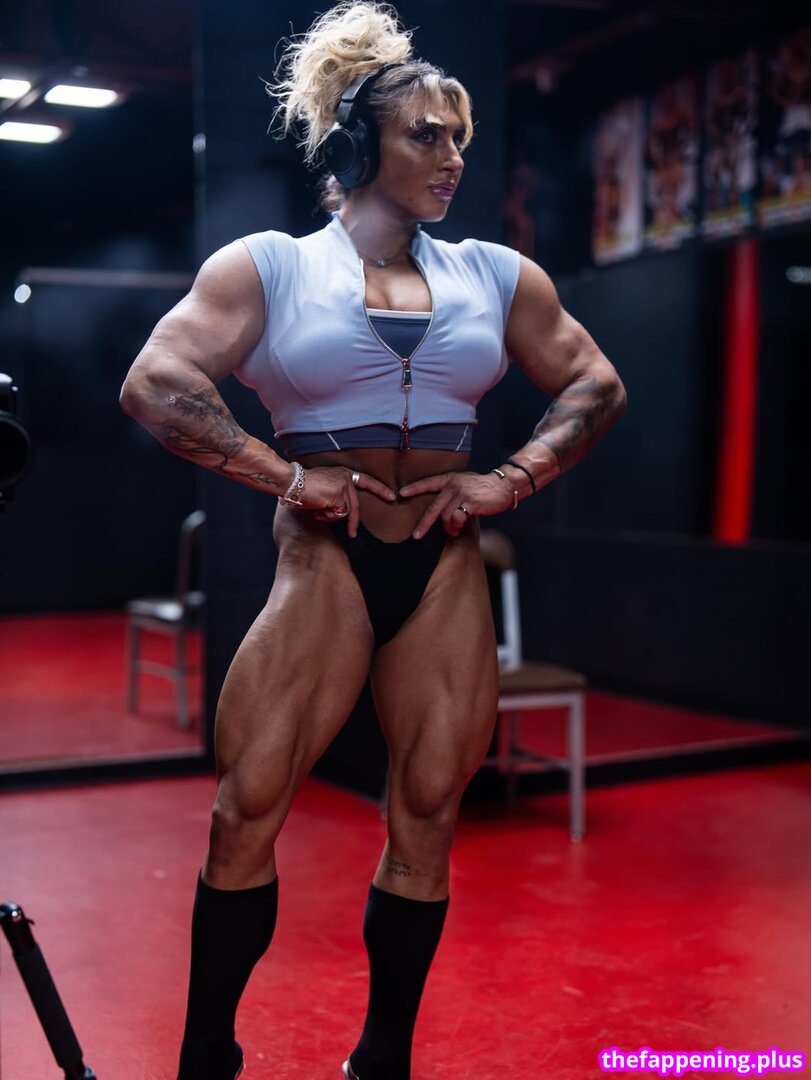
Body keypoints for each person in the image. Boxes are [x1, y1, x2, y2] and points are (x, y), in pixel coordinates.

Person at [119, 3, 627, 1078]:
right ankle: (208, 1056)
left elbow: (595, 383)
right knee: (247, 809)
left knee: (429, 815)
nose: (451, 156)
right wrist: (281, 474)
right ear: (358, 150)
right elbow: (156, 383)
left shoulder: (495, 274)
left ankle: (380, 1060)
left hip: (441, 566)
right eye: (424, 135)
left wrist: (512, 477)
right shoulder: (269, 267)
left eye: (459, 137)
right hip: (324, 562)